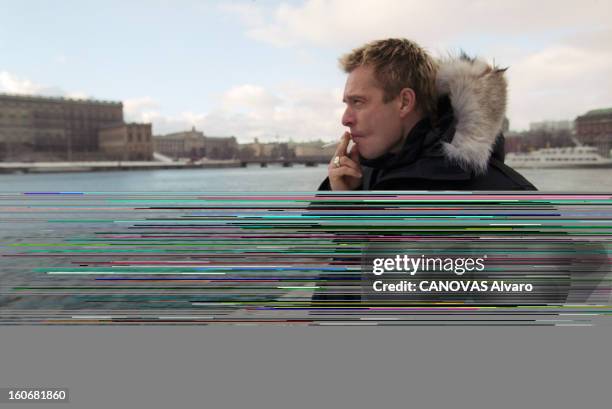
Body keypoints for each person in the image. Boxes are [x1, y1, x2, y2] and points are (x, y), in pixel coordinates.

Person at [319, 38, 536, 191]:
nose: (345, 119)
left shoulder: (507, 202)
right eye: (347, 104)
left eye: (358, 102)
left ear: (404, 102)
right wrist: (347, 204)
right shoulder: (357, 180)